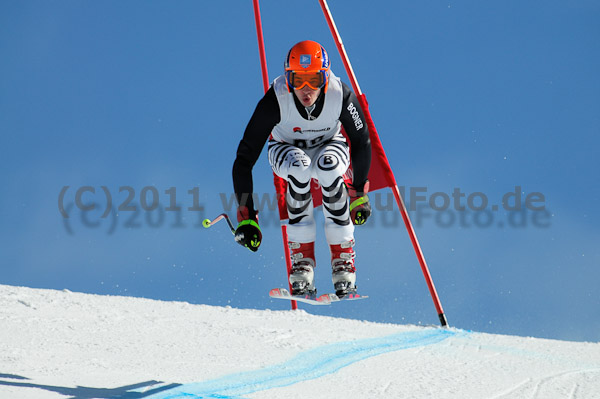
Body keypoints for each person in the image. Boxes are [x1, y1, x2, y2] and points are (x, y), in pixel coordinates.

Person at [232, 40, 372, 297]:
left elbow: (362, 141)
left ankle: (343, 258)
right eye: (298, 80)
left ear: (326, 77)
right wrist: (247, 214)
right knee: (300, 168)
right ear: (288, 79)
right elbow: (244, 158)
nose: (306, 90)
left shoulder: (340, 94)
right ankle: (302, 261)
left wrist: (358, 192)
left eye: (314, 80)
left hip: (330, 144)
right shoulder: (276, 100)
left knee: (328, 168)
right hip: (285, 149)